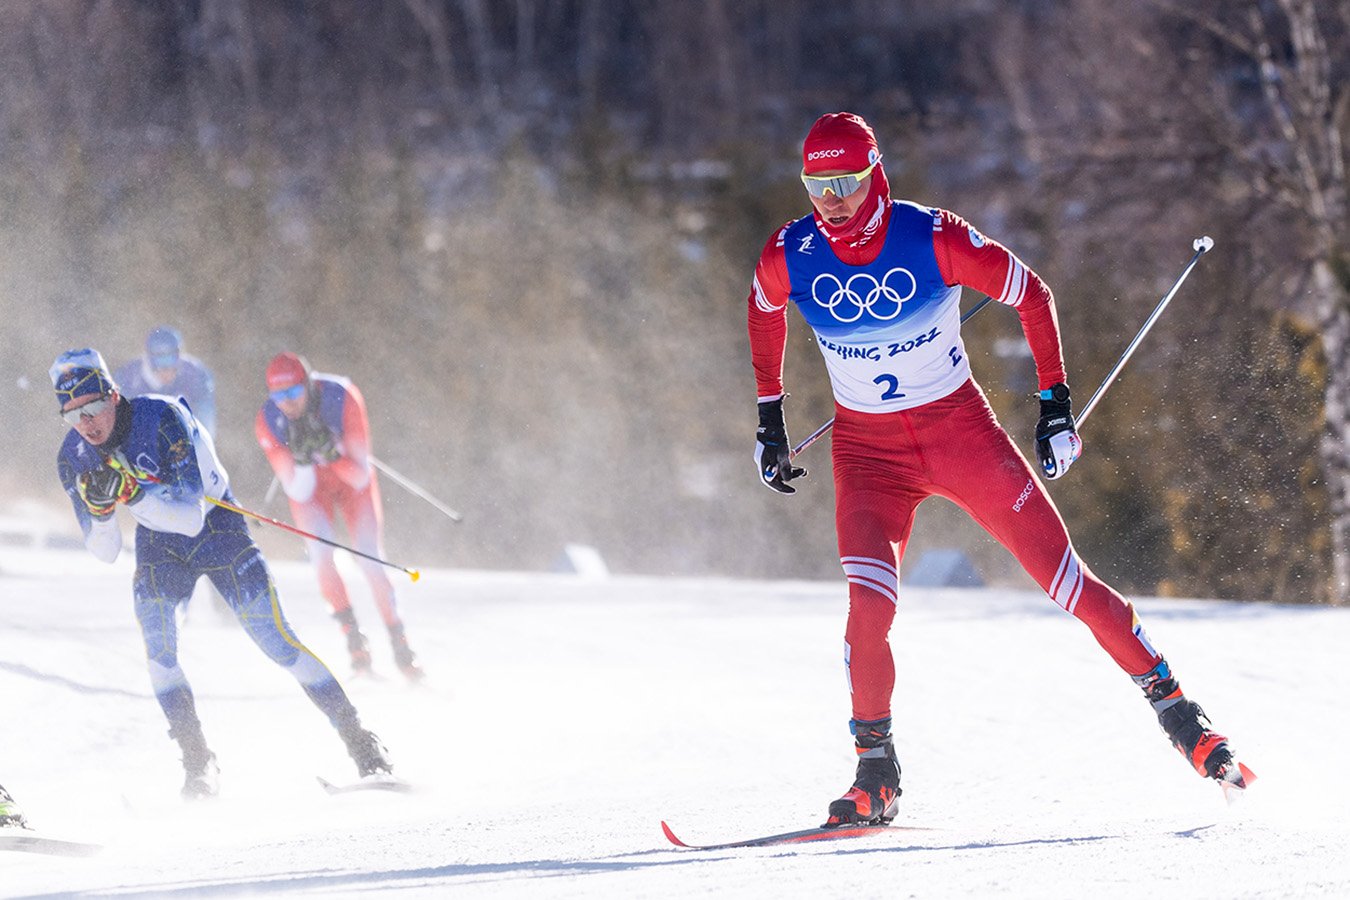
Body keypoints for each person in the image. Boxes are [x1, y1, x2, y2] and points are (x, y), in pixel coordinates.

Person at [746, 112, 1250, 826]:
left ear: (874, 175)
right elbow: (762, 307)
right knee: (867, 611)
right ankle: (876, 773)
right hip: (867, 457)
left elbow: (1031, 293)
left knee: (1067, 581)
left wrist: (1054, 407)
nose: (830, 199)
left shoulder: (933, 236)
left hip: (960, 436)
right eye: (816, 184)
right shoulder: (791, 251)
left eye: (846, 183)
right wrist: (770, 417)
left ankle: (1185, 719)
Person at [52, 349, 394, 798]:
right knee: (159, 652)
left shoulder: (162, 417)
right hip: (160, 545)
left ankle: (363, 745)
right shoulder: (74, 456)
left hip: (217, 530)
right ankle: (198, 765)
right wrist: (99, 511)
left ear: (113, 395)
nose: (87, 422)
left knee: (276, 640)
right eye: (73, 414)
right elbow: (106, 550)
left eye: (94, 406)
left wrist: (131, 495)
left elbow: (190, 518)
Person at [255, 352, 422, 681]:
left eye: (292, 393)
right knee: (321, 555)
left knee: (370, 559)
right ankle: (355, 645)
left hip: (352, 486)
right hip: (312, 491)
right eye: (278, 396)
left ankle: (401, 647)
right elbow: (298, 491)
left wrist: (333, 454)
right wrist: (303, 460)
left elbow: (360, 475)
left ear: (308, 384)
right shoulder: (268, 421)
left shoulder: (342, 397)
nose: (286, 403)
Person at [115, 326, 216, 436]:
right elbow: (120, 423)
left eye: (170, 359)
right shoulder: (128, 378)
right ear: (148, 358)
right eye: (159, 361)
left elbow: (206, 422)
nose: (166, 370)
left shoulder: (195, 375)